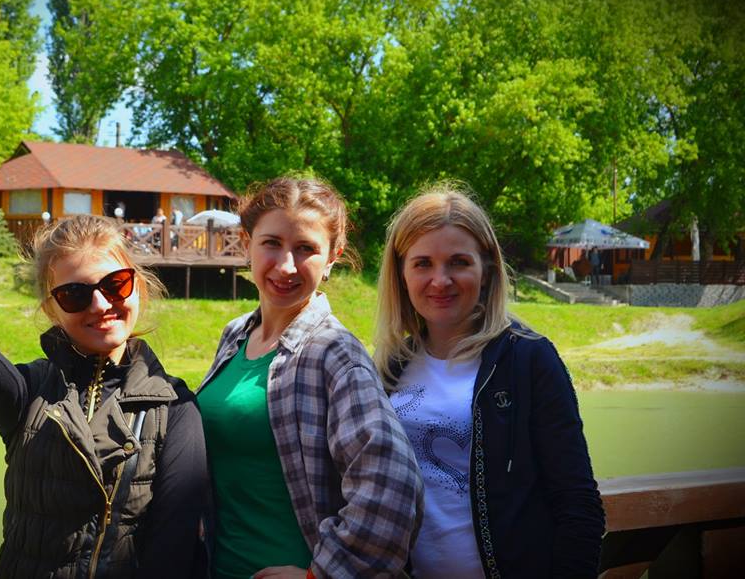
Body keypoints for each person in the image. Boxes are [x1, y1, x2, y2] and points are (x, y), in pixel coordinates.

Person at [0, 214, 208, 578]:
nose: (100, 305)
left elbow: (173, 548)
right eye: (74, 295)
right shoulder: (31, 390)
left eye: (115, 284)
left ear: (138, 287)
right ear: (51, 310)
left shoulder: (176, 407)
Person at [196, 176, 424, 579]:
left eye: (306, 249)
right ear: (247, 243)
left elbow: (393, 486)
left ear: (332, 258)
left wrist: (322, 574)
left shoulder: (334, 352)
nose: (286, 265)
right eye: (272, 243)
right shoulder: (235, 335)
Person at [373, 184, 605, 578]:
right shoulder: (389, 366)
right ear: (401, 274)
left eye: (458, 262)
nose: (440, 280)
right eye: (423, 263)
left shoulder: (528, 359)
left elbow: (578, 504)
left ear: (487, 270)